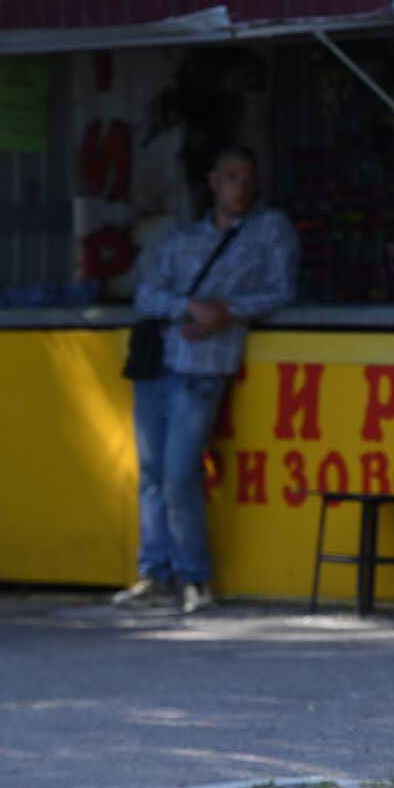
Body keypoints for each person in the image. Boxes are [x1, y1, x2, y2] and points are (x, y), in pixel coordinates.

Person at [114, 146, 298, 614]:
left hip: (205, 365)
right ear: (214, 182)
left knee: (180, 475)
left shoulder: (268, 231)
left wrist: (227, 312)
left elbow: (282, 290)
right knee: (152, 473)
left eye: (248, 179)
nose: (241, 187)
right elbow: (147, 292)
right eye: (233, 177)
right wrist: (190, 308)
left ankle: (195, 578)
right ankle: (154, 574)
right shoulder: (184, 238)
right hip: (159, 363)